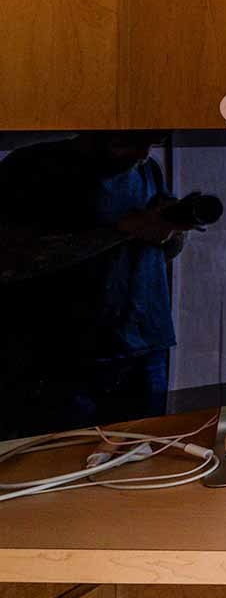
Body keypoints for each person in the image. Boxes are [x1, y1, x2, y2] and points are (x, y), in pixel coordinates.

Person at [0, 132, 201, 436]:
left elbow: (163, 253)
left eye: (153, 143)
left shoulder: (147, 169)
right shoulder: (32, 167)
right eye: (133, 142)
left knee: (141, 456)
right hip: (58, 355)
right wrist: (122, 230)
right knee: (57, 461)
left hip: (144, 345)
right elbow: (11, 261)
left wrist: (173, 231)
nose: (143, 154)